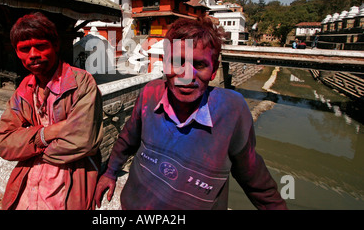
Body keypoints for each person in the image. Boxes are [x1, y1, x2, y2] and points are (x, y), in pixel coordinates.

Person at [94, 17, 287, 210]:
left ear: (214, 70)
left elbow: (256, 181)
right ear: (165, 64)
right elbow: (127, 140)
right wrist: (110, 172)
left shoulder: (231, 110)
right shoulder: (150, 94)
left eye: (200, 65)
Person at [0, 12, 103, 210]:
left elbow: (82, 141)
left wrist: (26, 144)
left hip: (67, 187)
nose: (33, 54)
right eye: (25, 49)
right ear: (17, 53)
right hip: (27, 189)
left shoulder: (81, 83)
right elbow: (2, 143)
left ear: (55, 45)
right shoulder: (24, 90)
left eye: (41, 46)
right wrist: (46, 134)